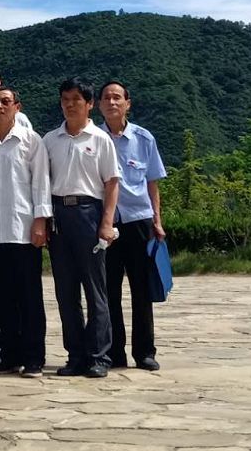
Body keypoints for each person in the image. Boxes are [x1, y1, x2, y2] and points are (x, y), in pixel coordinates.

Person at [43, 77, 121, 378]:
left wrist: (106, 223)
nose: (70, 104)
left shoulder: (100, 139)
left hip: (90, 214)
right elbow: (42, 184)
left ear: (89, 104)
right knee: (66, 291)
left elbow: (112, 183)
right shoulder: (50, 140)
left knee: (95, 290)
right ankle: (75, 355)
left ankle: (99, 356)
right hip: (59, 214)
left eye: (76, 99)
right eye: (65, 99)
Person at [0, 85, 51, 378]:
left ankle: (34, 357)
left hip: (23, 231)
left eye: (5, 102)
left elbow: (41, 182)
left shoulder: (31, 140)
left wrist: (41, 220)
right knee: (1, 298)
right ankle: (9, 355)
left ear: (17, 106)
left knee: (29, 298)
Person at [99, 80, 166, 371]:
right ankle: (115, 353)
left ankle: (145, 352)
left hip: (139, 221)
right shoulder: (94, 137)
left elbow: (152, 183)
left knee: (141, 290)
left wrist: (157, 221)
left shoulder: (144, 138)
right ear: (99, 104)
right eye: (106, 98)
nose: (112, 102)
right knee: (109, 291)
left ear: (128, 103)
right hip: (106, 224)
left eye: (117, 98)